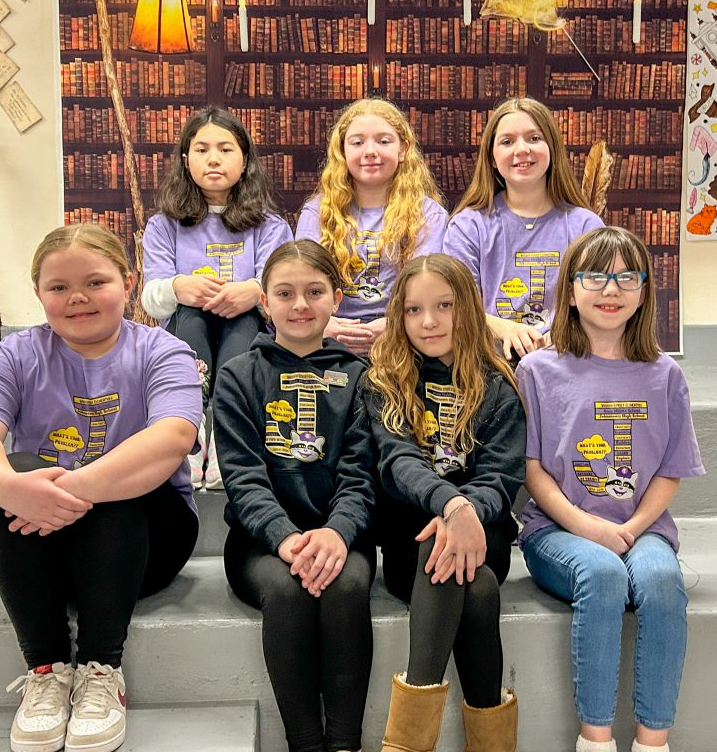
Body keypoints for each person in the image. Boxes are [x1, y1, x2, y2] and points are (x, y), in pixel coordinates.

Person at [0, 224, 201, 752]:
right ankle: (45, 669)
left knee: (124, 475)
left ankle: (100, 669)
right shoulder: (13, 355)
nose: (77, 298)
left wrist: (74, 489)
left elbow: (173, 437)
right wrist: (13, 490)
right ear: (38, 293)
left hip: (145, 545)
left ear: (128, 282)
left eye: (95, 281)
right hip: (45, 547)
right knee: (12, 468)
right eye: (59, 287)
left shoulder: (165, 350)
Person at [516, 226, 703, 752]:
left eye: (627, 276)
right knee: (599, 573)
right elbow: (535, 472)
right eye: (595, 275)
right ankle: (595, 750)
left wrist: (635, 528)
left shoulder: (663, 375)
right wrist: (589, 527)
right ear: (570, 291)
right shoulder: (540, 370)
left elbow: (670, 471)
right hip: (559, 531)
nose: (610, 288)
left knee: (661, 578)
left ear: (646, 291)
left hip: (640, 527)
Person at [213, 240, 378, 752]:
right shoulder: (238, 377)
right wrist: (285, 539)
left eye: (315, 292)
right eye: (285, 293)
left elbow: (363, 473)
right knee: (286, 594)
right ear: (264, 302)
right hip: (260, 544)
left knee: (346, 588)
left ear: (337, 298)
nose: (301, 304)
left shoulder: (362, 378)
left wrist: (336, 533)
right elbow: (243, 477)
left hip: (343, 534)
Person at [357, 254, 525, 752]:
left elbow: (502, 476)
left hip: (487, 535)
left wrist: (470, 510)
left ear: (468, 308)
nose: (429, 321)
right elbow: (397, 462)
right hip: (411, 536)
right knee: (465, 583)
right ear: (398, 316)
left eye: (444, 306)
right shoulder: (384, 379)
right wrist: (449, 506)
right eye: (413, 309)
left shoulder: (499, 385)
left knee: (469, 572)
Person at [142, 106, 292, 488]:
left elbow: (287, 293)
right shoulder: (164, 225)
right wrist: (178, 287)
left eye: (226, 149)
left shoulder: (269, 225)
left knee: (242, 326)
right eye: (202, 149)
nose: (213, 159)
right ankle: (188, 440)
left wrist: (255, 290)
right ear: (185, 160)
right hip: (187, 329)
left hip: (244, 330)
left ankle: (228, 442)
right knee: (190, 320)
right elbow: (150, 298)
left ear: (244, 162)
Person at [443, 96, 603, 361]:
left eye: (534, 138)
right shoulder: (468, 226)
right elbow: (455, 305)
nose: (521, 150)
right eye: (507, 142)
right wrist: (505, 329)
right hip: (491, 363)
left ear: (551, 148)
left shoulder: (585, 225)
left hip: (568, 357)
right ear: (492, 158)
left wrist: (560, 335)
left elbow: (599, 300)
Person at [295, 98, 447, 356]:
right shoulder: (317, 212)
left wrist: (395, 325)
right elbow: (301, 279)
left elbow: (428, 286)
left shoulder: (428, 214)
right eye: (357, 142)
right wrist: (324, 324)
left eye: (384, 141)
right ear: (342, 152)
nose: (370, 151)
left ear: (403, 149)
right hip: (328, 336)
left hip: (405, 338)